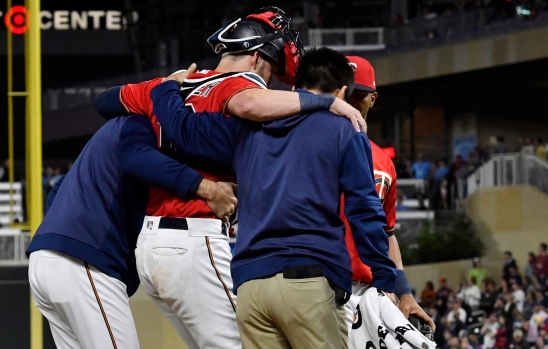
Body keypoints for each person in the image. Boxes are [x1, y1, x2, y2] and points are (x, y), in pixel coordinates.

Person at [94, 7, 365, 349]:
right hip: (196, 235)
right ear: (255, 58)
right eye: (272, 69)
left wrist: (163, 92)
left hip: (150, 244)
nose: (271, 80)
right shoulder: (244, 84)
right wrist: (322, 102)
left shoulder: (174, 84)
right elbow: (251, 103)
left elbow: (105, 101)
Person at [149, 47, 398, 349]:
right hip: (309, 280)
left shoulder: (245, 129)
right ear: (341, 92)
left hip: (251, 288)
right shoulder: (344, 129)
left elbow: (182, 129)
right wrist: (388, 278)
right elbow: (364, 211)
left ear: (294, 88)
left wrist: (165, 89)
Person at [26, 113, 236, 348]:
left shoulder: (112, 131)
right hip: (84, 261)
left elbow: (56, 194)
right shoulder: (139, 126)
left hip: (44, 259)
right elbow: (136, 158)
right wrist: (204, 187)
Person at [341, 55, 434, 329]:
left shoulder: (383, 162)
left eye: (359, 95)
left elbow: (388, 234)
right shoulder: (312, 148)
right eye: (346, 94)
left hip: (372, 291)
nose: (351, 102)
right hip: (322, 283)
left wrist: (404, 293)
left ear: (373, 98)